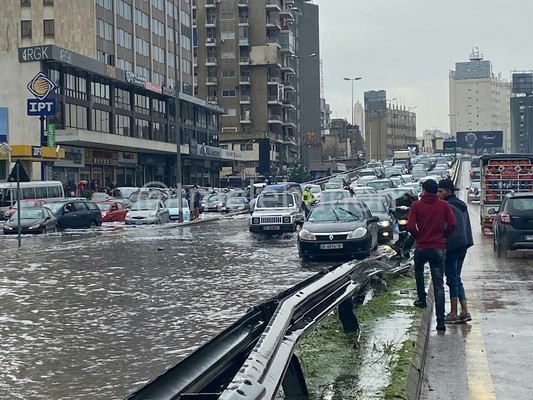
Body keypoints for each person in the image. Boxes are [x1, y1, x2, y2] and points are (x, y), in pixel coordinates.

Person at [407, 179, 456, 333]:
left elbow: (409, 226)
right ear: (436, 191)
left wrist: (418, 236)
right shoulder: (443, 205)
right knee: (438, 284)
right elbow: (453, 224)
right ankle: (440, 321)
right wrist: (443, 236)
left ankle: (422, 299)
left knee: (419, 272)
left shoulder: (416, 205)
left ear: (424, 190)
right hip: (437, 248)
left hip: (421, 247)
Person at [437, 178, 474, 324]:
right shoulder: (462, 205)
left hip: (452, 246)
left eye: (441, 191)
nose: (438, 194)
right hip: (463, 244)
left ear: (449, 192)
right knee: (457, 278)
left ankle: (453, 312)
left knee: (452, 279)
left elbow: (447, 226)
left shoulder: (447, 206)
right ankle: (464, 311)